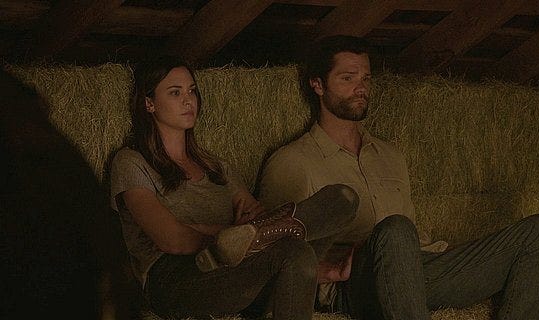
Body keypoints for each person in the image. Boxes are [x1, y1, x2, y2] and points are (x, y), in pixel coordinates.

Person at [258, 35, 539, 320]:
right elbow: (271, 256)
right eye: (347, 78)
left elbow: (411, 243)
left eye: (365, 78)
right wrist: (324, 270)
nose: (361, 88)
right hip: (354, 286)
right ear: (317, 85)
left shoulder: (391, 156)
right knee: (395, 228)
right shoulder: (292, 162)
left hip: (417, 272)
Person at [109, 55, 358, 319]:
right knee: (290, 248)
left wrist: (248, 236)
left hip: (239, 271)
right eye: (175, 92)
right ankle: (254, 241)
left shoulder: (217, 167)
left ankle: (258, 239)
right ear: (149, 103)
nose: (188, 100)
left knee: (343, 199)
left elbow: (258, 216)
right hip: (178, 280)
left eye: (192, 91)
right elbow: (171, 239)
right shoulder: (132, 162)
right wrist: (231, 234)